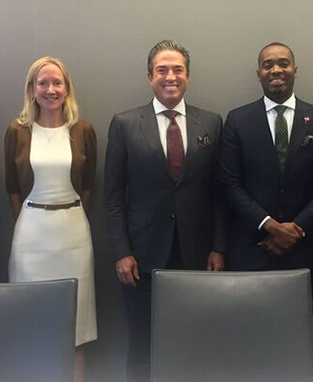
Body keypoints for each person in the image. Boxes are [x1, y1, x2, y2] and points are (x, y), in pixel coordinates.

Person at [104, 40, 227, 382]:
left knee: (195, 342)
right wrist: (121, 251)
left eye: (177, 70)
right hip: (141, 256)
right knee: (142, 346)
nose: (170, 76)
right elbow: (113, 196)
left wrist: (218, 246)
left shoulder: (211, 123)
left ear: (187, 76)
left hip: (197, 253)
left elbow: (220, 194)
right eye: (162, 70)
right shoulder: (126, 124)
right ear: (149, 77)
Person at [219, 42, 313, 327]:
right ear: (258, 74)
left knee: (303, 337)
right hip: (252, 249)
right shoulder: (237, 120)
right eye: (268, 65)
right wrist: (270, 226)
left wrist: (295, 230)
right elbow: (229, 182)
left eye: (283, 63)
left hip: (306, 251)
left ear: (295, 70)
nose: (276, 70)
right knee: (251, 337)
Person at [5, 56, 97, 382]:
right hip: (31, 236)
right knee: (30, 321)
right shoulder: (17, 131)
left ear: (66, 88)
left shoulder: (83, 130)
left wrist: (68, 213)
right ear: (31, 89)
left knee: (76, 329)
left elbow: (89, 187)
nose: (50, 89)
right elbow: (13, 189)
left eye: (57, 82)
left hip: (73, 235)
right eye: (42, 83)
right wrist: (34, 218)